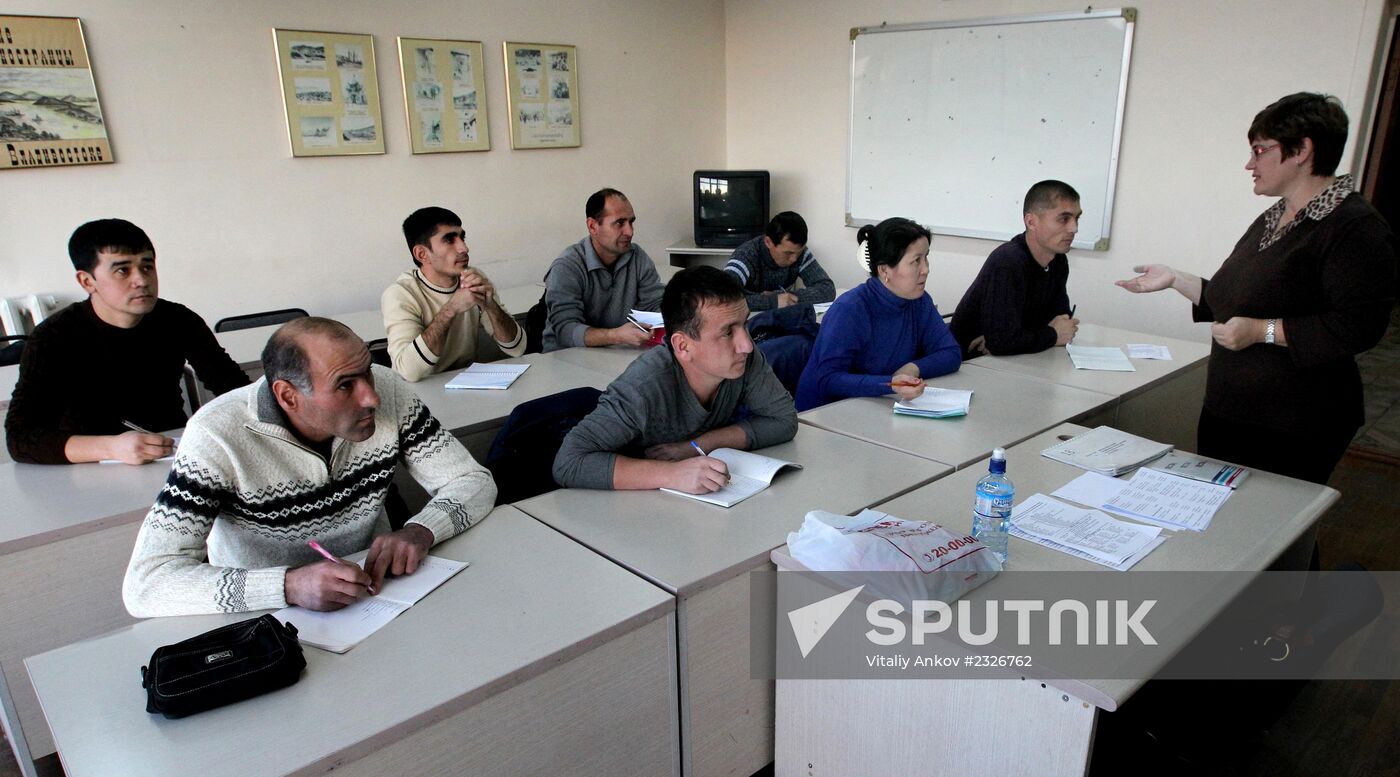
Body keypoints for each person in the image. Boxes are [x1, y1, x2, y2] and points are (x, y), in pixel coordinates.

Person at [122, 317, 497, 617]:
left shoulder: (389, 391)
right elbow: (147, 584)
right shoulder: (216, 436)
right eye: (345, 386)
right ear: (288, 396)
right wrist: (288, 586)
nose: (371, 396)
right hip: (265, 614)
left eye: (367, 371)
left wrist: (421, 529)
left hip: (377, 596)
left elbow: (472, 480)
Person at [1117, 92, 1396, 486]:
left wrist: (1261, 331)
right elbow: (1237, 299)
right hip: (1233, 409)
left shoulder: (1354, 227)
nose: (1250, 164)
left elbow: (1358, 326)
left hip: (1295, 421)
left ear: (1302, 150)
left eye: (1260, 150)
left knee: (1275, 536)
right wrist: (1176, 278)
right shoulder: (1275, 216)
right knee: (1221, 521)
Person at [4, 218, 248, 465]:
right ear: (87, 281)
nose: (141, 280)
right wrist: (111, 447)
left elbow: (236, 389)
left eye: (147, 266)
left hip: (171, 453)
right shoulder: (53, 336)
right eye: (123, 270)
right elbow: (21, 439)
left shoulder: (178, 320)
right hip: (90, 468)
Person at [552, 266, 797, 492]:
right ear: (682, 346)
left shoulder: (743, 360)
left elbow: (784, 420)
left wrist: (697, 446)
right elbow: (568, 463)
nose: (746, 345)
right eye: (727, 332)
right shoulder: (642, 388)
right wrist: (672, 474)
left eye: (744, 324)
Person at [795, 217, 961, 411]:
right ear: (884, 270)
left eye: (926, 257)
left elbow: (951, 353)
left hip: (879, 407)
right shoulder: (850, 309)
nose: (926, 269)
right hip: (828, 415)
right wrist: (889, 383)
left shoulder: (919, 301)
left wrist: (913, 368)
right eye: (916, 261)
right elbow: (827, 379)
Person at [381, 206, 525, 381]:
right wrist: (451, 309)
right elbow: (408, 372)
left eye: (462, 237)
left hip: (465, 385)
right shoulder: (400, 294)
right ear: (421, 254)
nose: (464, 248)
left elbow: (517, 348)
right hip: (423, 394)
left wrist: (491, 306)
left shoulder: (473, 278)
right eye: (449, 240)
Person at [949, 180, 1081, 358]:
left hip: (1019, 360)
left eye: (1076, 218)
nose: (1074, 228)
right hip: (973, 364)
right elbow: (1002, 342)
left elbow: (1061, 320)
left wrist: (1018, 339)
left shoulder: (1058, 261)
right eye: (1064, 219)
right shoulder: (1008, 261)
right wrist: (1052, 335)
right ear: (1031, 221)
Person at [542, 188, 665, 351]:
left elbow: (656, 306)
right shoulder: (567, 266)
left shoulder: (637, 257)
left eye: (631, 222)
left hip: (618, 353)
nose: (630, 231)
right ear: (593, 226)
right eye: (620, 223)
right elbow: (566, 331)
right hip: (568, 359)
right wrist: (615, 336)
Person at [722, 211, 836, 312]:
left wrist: (787, 297)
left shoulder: (799, 253)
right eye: (788, 253)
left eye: (799, 252)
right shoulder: (746, 255)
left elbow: (827, 288)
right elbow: (723, 295)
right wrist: (772, 301)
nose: (794, 259)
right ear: (768, 242)